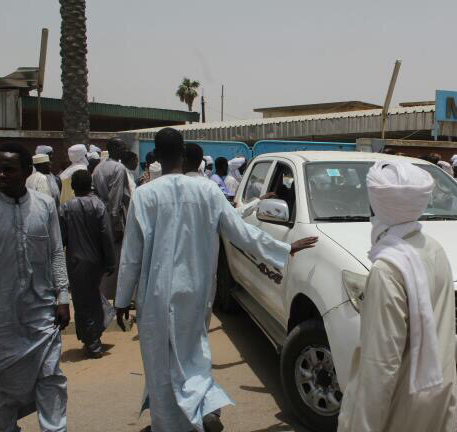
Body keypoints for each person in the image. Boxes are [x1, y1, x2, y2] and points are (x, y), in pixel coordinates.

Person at [114, 128, 318, 432]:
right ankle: (203, 407)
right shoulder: (208, 190)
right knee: (194, 353)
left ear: (154, 155)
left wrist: (121, 300)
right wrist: (285, 248)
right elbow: (241, 233)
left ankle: (171, 422)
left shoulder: (145, 195)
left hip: (156, 292)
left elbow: (132, 253)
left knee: (160, 359)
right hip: (195, 290)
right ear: (184, 154)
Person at [337, 160, 457, 432]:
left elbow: (380, 365)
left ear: (376, 206)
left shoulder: (387, 270)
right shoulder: (433, 249)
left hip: (400, 406)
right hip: (436, 392)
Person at [0, 143, 70, 432]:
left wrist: (62, 296)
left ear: (27, 172)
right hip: (2, 318)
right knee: (1, 385)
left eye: (9, 169)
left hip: (42, 313)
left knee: (51, 376)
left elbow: (55, 252)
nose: (1, 175)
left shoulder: (45, 205)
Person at [59, 170, 116, 359]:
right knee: (91, 298)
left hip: (75, 262)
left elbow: (61, 238)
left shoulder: (66, 208)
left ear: (73, 187)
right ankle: (93, 336)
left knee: (83, 302)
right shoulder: (98, 205)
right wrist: (110, 261)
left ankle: (92, 342)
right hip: (96, 262)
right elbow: (106, 236)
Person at [93, 137, 130, 300]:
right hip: (113, 216)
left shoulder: (98, 167)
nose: (125, 149)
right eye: (122, 147)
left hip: (100, 213)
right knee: (116, 257)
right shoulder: (119, 168)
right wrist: (117, 225)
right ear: (114, 148)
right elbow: (115, 198)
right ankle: (111, 297)